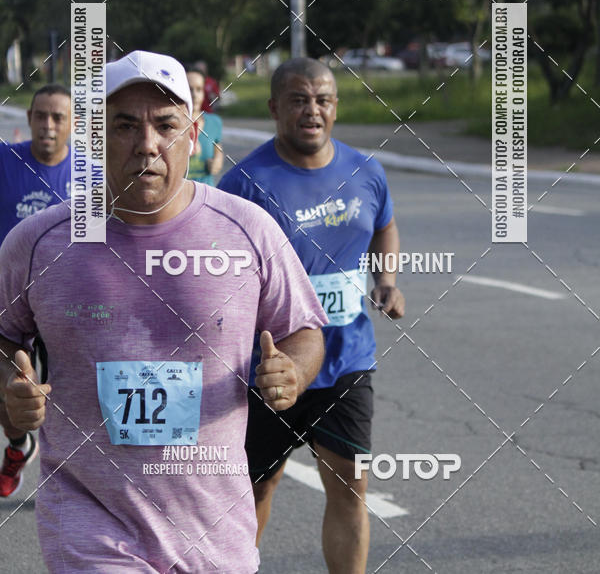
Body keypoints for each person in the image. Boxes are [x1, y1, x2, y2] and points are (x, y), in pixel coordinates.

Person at [0, 50, 327, 573]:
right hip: (90, 516)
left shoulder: (247, 230)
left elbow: (303, 330)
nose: (147, 144)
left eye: (166, 125)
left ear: (193, 135)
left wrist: (293, 371)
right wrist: (9, 390)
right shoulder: (39, 242)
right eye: (125, 125)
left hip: (214, 524)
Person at [219, 57, 406, 574]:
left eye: (322, 100)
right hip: (269, 368)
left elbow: (385, 226)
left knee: (351, 486)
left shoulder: (366, 171)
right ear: (274, 107)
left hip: (347, 361)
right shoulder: (244, 183)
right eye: (299, 100)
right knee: (256, 488)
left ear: (336, 107)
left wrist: (387, 281)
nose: (312, 110)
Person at [0, 83, 71, 498]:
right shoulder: (6, 161)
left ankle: (75, 479)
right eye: (41, 116)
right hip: (9, 301)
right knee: (9, 389)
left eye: (58, 117)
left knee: (72, 397)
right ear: (28, 119)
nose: (48, 125)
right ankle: (19, 444)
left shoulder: (90, 176)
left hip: (66, 301)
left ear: (72, 124)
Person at [185, 68, 223, 186]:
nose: (194, 95)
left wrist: (218, 160)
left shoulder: (214, 122)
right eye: (189, 89)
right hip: (179, 195)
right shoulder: (169, 125)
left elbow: (217, 147)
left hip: (207, 193)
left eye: (199, 89)